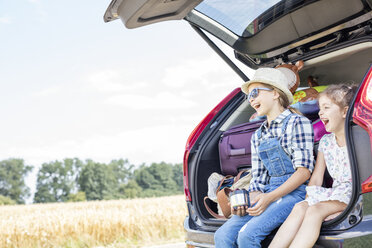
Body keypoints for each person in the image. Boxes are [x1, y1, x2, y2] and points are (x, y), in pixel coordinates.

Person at [214, 67, 314, 248]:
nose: (251, 99)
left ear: (275, 93)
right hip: (268, 192)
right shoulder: (258, 135)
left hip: (295, 193)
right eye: (249, 96)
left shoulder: (297, 123)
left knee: (247, 237)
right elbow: (259, 177)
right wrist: (250, 198)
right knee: (222, 236)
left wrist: (268, 198)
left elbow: (303, 173)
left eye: (255, 92)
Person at [269, 84, 357, 248]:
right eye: (319, 108)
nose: (320, 112)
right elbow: (316, 177)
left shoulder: (359, 139)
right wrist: (309, 200)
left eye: (326, 107)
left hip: (353, 196)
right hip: (336, 194)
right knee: (301, 207)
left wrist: (321, 206)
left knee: (315, 211)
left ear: (345, 112)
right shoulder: (326, 142)